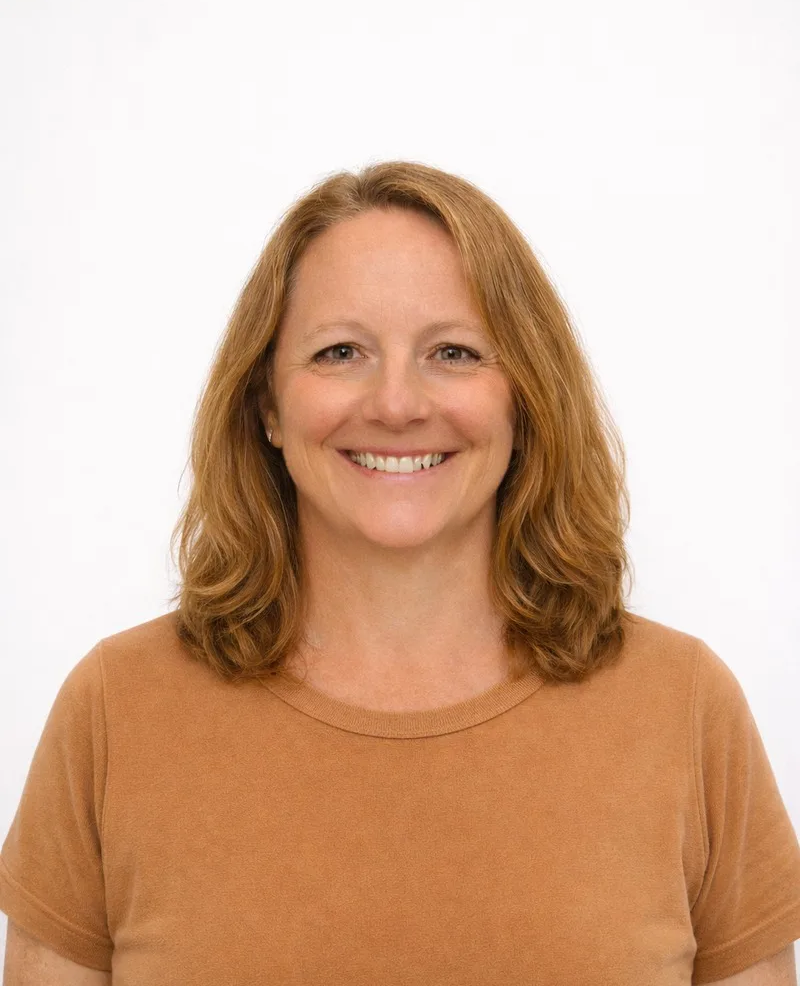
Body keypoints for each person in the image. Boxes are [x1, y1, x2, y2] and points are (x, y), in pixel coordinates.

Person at [1, 161, 798, 985]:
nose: (396, 404)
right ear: (267, 404)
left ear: (524, 398)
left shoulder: (684, 709)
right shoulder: (116, 712)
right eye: (340, 352)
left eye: (453, 352)